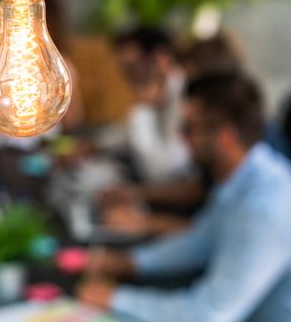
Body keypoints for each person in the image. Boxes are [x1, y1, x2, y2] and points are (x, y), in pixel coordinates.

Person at [77, 72, 291, 322]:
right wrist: (130, 262)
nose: (180, 136)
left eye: (189, 128)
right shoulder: (249, 174)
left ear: (226, 137)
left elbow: (206, 315)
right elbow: (201, 240)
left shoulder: (264, 208)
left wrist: (114, 298)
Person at [100, 32, 246, 236]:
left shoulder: (244, 152)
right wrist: (137, 195)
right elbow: (199, 189)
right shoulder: (232, 134)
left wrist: (146, 222)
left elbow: (219, 232)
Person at [115, 27, 190, 183]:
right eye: (124, 70)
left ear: (161, 59)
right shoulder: (164, 95)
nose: (129, 78)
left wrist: (143, 108)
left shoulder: (186, 97)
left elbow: (157, 171)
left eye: (133, 67)